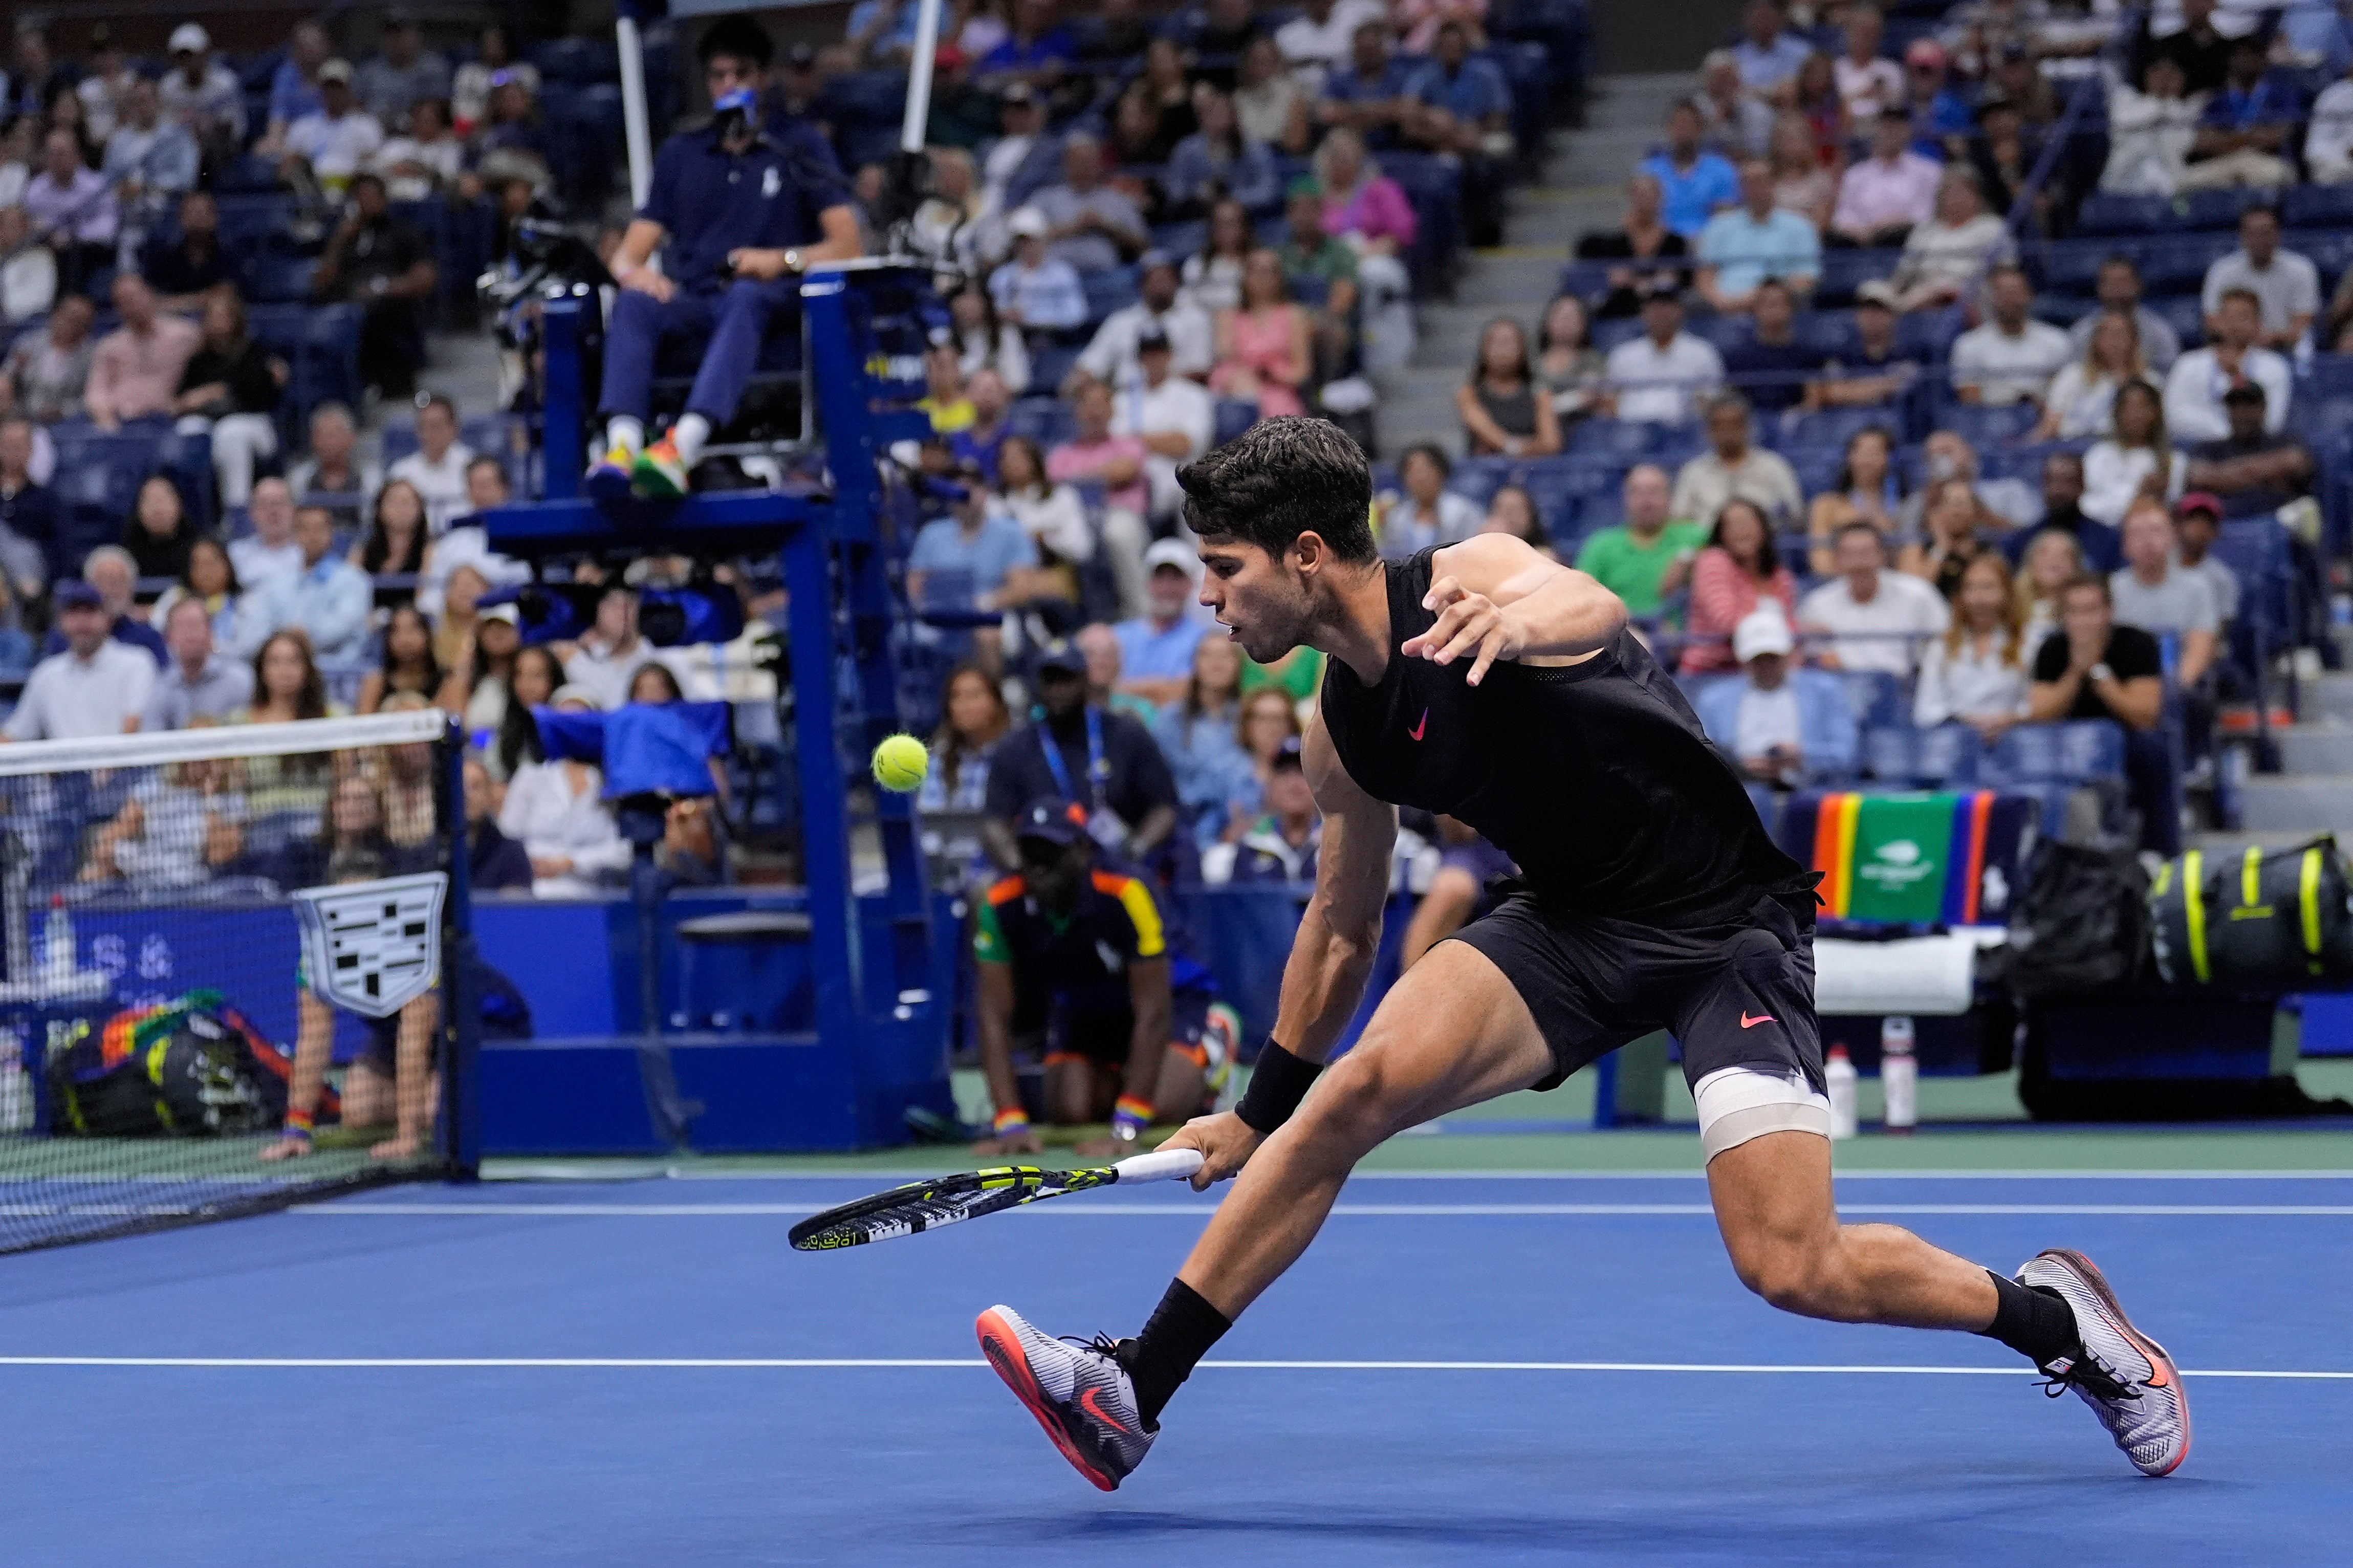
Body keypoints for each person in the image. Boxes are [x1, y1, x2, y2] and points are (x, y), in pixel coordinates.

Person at [970, 416, 2188, 1491]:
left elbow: (1591, 604)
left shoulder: (1470, 578)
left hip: (1721, 926)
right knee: (1347, 1096)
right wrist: (1256, 1111)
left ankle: (2057, 1320)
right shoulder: (1336, 729)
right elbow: (1341, 923)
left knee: (1789, 1262)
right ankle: (1134, 1389)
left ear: (1302, 553)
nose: (1206, 596)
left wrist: (1511, 621)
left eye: (1223, 567)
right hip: (1565, 925)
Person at [587, 17, 862, 501]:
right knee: (633, 303)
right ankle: (623, 447)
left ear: (764, 78)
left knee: (746, 296)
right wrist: (634, 275)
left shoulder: (797, 144)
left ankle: (682, 448)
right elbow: (627, 256)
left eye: (741, 73)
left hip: (771, 305)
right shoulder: (682, 153)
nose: (729, 85)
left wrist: (781, 260)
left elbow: (848, 246)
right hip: (696, 301)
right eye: (719, 75)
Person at [970, 798, 1230, 1156]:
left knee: (1162, 1108)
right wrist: (1010, 1123)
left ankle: (1214, 1044)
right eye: (1030, 853)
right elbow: (992, 1015)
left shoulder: (1127, 891)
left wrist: (1127, 1126)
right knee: (1071, 1111)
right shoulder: (1000, 903)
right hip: (1085, 1010)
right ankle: (1125, 1074)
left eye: (1053, 852)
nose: (1040, 866)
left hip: (1170, 1002)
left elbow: (1153, 1012)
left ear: (1083, 850)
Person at [981, 639, 1181, 876]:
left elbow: (1164, 807)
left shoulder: (1126, 735)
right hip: (1043, 869)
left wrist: (1136, 850)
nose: (1057, 690)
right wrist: (1020, 867)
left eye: (1066, 680)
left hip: (1117, 865)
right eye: (1050, 681)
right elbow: (994, 821)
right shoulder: (1015, 747)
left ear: (1085, 680)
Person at [2029, 572, 2176, 853]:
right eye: (2074, 612)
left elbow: (2146, 715)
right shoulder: (2052, 649)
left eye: (2091, 611)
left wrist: (2098, 672)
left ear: (2109, 611)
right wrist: (2075, 672)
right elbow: (2040, 715)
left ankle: (2158, 851)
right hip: (2064, 743)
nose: (2083, 621)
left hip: (2126, 739)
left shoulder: (2138, 643)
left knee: (2153, 750)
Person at [1694, 608, 1858, 788]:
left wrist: (1802, 757)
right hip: (1740, 789)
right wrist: (1741, 768)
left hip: (1811, 787)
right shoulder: (1715, 700)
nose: (1766, 666)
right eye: (1758, 660)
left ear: (1788, 654)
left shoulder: (1825, 690)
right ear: (1743, 660)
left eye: (1772, 658)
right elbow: (1704, 757)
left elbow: (1846, 752)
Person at [309, 172, 437, 400]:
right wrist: (340, 240)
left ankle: (382, 383)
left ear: (383, 199)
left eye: (370, 197)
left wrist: (382, 288)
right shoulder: (346, 237)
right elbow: (321, 282)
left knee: (375, 314)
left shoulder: (404, 233)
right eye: (359, 198)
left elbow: (425, 279)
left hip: (387, 304)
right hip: (347, 303)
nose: (364, 203)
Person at [499, 687, 629, 899]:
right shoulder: (531, 776)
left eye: (579, 721)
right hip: (531, 890)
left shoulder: (612, 782)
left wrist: (571, 862)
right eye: (564, 721)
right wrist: (527, 864)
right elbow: (507, 837)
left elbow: (622, 851)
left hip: (591, 894)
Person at [171, 290, 286, 508]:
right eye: (212, 316)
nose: (217, 322)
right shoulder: (199, 360)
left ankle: (237, 509)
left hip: (254, 423)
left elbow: (263, 397)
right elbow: (181, 401)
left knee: (230, 432)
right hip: (211, 422)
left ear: (236, 319)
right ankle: (192, 506)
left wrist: (222, 391)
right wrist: (195, 399)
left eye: (223, 315)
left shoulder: (254, 353)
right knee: (188, 429)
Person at [3, 580, 155, 741]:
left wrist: (109, 758)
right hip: (66, 758)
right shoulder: (47, 675)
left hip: (125, 757)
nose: (82, 622)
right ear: (61, 620)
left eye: (90, 612)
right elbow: (14, 733)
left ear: (108, 618)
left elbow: (133, 727)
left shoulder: (136, 663)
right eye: (73, 612)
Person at [1800, 521, 1950, 677]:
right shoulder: (1817, 604)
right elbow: (1808, 658)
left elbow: (1947, 640)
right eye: (1849, 554)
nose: (1858, 563)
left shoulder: (1918, 594)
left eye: (1866, 553)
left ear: (1883, 555)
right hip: (1841, 684)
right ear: (1836, 559)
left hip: (1906, 683)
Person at [237, 504, 373, 667]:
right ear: (295, 535)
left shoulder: (353, 579)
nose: (312, 536)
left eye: (319, 529)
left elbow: (344, 624)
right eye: (304, 529)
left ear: (331, 534)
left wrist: (298, 637)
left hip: (336, 668)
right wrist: (285, 640)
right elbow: (257, 622)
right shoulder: (277, 582)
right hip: (281, 667)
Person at [1914, 552, 2030, 739]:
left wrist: (2010, 719)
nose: (1979, 598)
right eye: (1970, 588)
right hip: (1955, 738)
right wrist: (1963, 720)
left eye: (1988, 587)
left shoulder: (2030, 641)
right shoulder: (1941, 646)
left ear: (2007, 593)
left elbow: (2037, 704)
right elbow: (1926, 710)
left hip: (2015, 738)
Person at [2108, 501, 2218, 691]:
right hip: (2124, 688)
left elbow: (2200, 649)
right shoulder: (2110, 589)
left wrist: (2170, 691)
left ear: (2173, 539)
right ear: (2125, 546)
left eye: (2156, 531)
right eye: (2137, 534)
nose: (2147, 541)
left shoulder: (2197, 587)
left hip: (2179, 688)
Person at [1681, 497, 1797, 673]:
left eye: (1746, 522)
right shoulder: (1713, 561)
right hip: (1714, 668)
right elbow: (1726, 621)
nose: (1740, 530)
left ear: (1763, 528)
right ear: (1721, 533)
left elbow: (1790, 627)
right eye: (1731, 525)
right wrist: (1777, 629)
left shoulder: (1780, 577)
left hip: (1771, 668)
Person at [1574, 464, 1706, 619]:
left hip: (1682, 632)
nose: (1646, 502)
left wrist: (1687, 558)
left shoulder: (1694, 536)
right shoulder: (1601, 546)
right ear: (1625, 500)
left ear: (1670, 498)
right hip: (1621, 629)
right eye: (1637, 493)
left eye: (1654, 492)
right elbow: (1580, 597)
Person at [2163, 288, 2291, 444]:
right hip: (2198, 448)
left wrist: (2236, 376)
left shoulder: (2274, 367)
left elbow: (2272, 423)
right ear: (2217, 321)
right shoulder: (2188, 363)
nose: (2235, 324)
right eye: (2228, 316)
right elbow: (2172, 416)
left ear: (2258, 324)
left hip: (2252, 450)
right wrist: (2225, 433)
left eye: (2243, 318)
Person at [1695, 157, 1820, 313]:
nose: (1755, 189)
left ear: (1774, 184)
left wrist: (1761, 299)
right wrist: (1721, 302)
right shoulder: (1718, 226)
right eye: (1749, 183)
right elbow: (1704, 277)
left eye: (1761, 181)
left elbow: (1806, 278)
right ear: (1739, 188)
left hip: (1777, 309)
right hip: (1725, 310)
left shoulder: (1800, 226)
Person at [1670, 393, 1802, 534]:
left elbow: (1796, 515)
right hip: (1708, 544)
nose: (1728, 432)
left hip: (1765, 543)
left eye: (1734, 424)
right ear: (1709, 431)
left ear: (1748, 427)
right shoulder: (1693, 472)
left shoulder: (1774, 466)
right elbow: (1679, 520)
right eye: (1720, 425)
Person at [1887, 168, 2014, 314]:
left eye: (1963, 192)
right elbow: (1905, 272)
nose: (1956, 198)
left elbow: (2006, 269)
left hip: (1974, 294)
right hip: (1924, 291)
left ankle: (1895, 311)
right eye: (1949, 193)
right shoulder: (1925, 230)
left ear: (1977, 196)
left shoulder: (1992, 227)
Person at [1078, 251, 1214, 386]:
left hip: (1177, 394)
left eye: (1166, 278)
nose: (1161, 284)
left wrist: (1153, 389)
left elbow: (1200, 370)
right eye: (1154, 279)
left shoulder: (1195, 319)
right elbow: (1089, 366)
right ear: (1142, 284)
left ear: (1177, 283)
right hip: (1124, 394)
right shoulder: (1120, 322)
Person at [2181, 36, 2296, 192]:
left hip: (2265, 159)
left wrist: (2230, 139)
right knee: (2186, 182)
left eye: (2253, 55)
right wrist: (2251, 137)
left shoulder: (2282, 95)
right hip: (2225, 160)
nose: (2247, 60)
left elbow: (2277, 137)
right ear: (2231, 60)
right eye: (2241, 55)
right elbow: (2205, 142)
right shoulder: (2217, 99)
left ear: (2264, 60)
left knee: (2275, 175)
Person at [87, 273, 200, 431]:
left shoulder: (185, 335)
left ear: (150, 295)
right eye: (122, 302)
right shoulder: (110, 346)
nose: (131, 305)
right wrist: (107, 423)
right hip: (121, 421)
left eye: (134, 297)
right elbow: (97, 391)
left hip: (167, 419)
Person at [1209, 251, 1314, 420]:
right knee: (1240, 384)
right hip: (1235, 384)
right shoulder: (1228, 317)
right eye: (1255, 271)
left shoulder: (1294, 316)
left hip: (1278, 387)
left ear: (1279, 278)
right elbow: (1225, 355)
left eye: (1268, 272)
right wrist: (1252, 369)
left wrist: (1273, 373)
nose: (1261, 278)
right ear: (1244, 277)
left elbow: (1302, 371)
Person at [2185, 383, 2314, 520]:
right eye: (2235, 406)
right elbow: (2197, 476)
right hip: (2224, 522)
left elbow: (2296, 462)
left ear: (2263, 408)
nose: (2241, 413)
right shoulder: (2210, 448)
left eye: (2249, 405)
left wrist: (2222, 477)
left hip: (2275, 520)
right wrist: (2270, 473)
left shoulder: (2284, 441)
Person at [1605, 278, 1724, 425]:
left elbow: (1712, 399)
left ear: (1680, 310)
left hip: (1682, 430)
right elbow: (1609, 402)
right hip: (1632, 430)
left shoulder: (1702, 352)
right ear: (1644, 312)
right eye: (1655, 306)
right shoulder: (1623, 355)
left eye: (1667, 305)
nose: (1661, 312)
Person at [1950, 263, 2071, 407]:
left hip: (2042, 415)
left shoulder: (2057, 341)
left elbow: (2063, 397)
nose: (2010, 299)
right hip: (1990, 416)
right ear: (1991, 297)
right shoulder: (1969, 345)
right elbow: (1970, 401)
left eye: (2016, 292)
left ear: (2030, 295)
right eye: (2003, 293)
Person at [2199, 206, 2316, 353]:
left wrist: (2271, 338)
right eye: (2253, 233)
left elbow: (2303, 323)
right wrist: (2243, 336)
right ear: (2242, 235)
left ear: (2278, 234)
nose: (2260, 239)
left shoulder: (2301, 268)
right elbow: (2212, 320)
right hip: (2234, 347)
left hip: (2285, 348)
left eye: (2266, 232)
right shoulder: (2222, 270)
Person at [1574, 172, 1689, 320]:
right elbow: (1616, 277)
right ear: (1631, 197)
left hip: (1664, 307)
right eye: (1639, 194)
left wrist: (1639, 282)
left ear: (1659, 197)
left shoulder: (1675, 242)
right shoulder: (1615, 242)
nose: (1644, 199)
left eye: (1649, 193)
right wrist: (1643, 282)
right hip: (1623, 307)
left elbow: (1675, 277)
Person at [1115, 542, 1213, 707]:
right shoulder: (1118, 636)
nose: (1167, 588)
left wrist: (1123, 688)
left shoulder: (1205, 640)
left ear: (1191, 585)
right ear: (1148, 583)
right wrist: (1161, 689)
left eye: (1176, 578)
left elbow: (1190, 692)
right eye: (1160, 578)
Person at [1212, 737, 1322, 884]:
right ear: (1271, 785)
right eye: (1284, 773)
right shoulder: (1251, 845)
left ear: (1320, 784)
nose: (1293, 784)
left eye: (1303, 773)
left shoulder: (1335, 846)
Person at [1164, 86, 1279, 222]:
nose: (1218, 119)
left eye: (1224, 112)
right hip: (1199, 216)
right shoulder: (1187, 149)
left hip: (1248, 217)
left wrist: (1232, 198)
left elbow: (1269, 189)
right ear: (1201, 118)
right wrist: (1199, 193)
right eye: (1211, 113)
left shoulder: (1255, 149)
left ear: (1235, 117)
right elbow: (1174, 187)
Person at [142, 593, 254, 732]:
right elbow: (151, 736)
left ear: (211, 632)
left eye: (196, 625)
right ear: (168, 638)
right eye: (181, 626)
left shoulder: (241, 679)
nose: (190, 633)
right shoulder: (160, 687)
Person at [1831, 108, 1940, 248]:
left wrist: (1891, 224)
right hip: (1863, 246)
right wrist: (1862, 231)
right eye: (1886, 126)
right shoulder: (1855, 175)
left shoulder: (1928, 171)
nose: (1891, 131)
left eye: (1897, 126)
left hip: (1909, 243)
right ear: (1875, 130)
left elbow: (1927, 215)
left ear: (1908, 130)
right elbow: (1843, 216)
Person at [23, 128, 115, 293]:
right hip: (49, 253)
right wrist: (47, 233)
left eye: (62, 153)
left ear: (77, 155)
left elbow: (107, 229)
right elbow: (29, 224)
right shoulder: (35, 190)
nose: (57, 159)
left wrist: (72, 237)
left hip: (91, 256)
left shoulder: (97, 186)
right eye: (51, 154)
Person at [2081, 379, 2184, 527]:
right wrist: (2139, 495)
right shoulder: (2099, 456)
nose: (2136, 415)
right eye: (2129, 408)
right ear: (2117, 414)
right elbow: (2089, 505)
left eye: (2143, 408)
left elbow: (2174, 507)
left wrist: (2160, 494)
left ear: (2156, 413)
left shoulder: (2174, 461)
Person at [1804, 426, 1904, 575]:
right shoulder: (1826, 505)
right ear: (1850, 457)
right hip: (1840, 581)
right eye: (1861, 451)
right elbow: (1820, 562)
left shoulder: (1905, 506)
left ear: (1889, 458)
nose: (1867, 460)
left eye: (1875, 452)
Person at [2033, 311, 2144, 444]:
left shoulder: (2147, 382)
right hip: (2070, 446)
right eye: (2107, 334)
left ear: (2134, 341)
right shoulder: (2072, 375)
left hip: (2118, 446)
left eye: (2120, 335)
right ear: (2095, 340)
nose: (2114, 342)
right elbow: (2050, 425)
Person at [1456, 317, 1560, 458]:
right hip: (1487, 465)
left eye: (1509, 343)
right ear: (1484, 348)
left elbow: (1551, 443)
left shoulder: (1539, 393)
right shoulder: (1468, 393)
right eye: (1496, 343)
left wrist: (1520, 450)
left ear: (1522, 349)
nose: (1502, 350)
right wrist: (1524, 448)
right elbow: (1490, 435)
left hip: (1533, 464)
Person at [2101, 54, 2201, 200]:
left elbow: (2186, 143)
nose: (2165, 79)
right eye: (2158, 71)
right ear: (2146, 74)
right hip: (2120, 185)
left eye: (2172, 74)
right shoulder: (2125, 97)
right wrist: (2163, 107)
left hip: (2171, 187)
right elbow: (2121, 121)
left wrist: (2176, 107)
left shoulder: (2185, 110)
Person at [2003, 449, 2120, 573]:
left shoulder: (2107, 541)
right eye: (2051, 481)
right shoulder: (2021, 542)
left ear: (2082, 486)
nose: (2058, 490)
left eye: (2067, 481)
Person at [1639, 100, 1739, 241]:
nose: (1683, 131)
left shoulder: (1721, 170)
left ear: (1700, 129)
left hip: (1709, 243)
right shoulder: (1649, 171)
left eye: (1688, 125)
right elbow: (1641, 216)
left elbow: (1726, 218)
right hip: (1662, 244)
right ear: (1669, 128)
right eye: (1679, 124)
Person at [920, 662, 1013, 813]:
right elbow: (931, 818)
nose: (965, 705)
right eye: (956, 697)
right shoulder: (940, 758)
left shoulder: (1016, 756)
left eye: (974, 696)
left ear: (996, 703)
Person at [2067, 255, 2181, 374]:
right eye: (2110, 283)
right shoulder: (2082, 333)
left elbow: (2169, 376)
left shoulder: (2160, 333)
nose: (2117, 290)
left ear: (2139, 285)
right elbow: (2076, 373)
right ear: (2099, 288)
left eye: (2123, 282)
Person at [1722, 278, 1817, 417]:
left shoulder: (1807, 355)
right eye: (1767, 304)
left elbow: (1813, 400)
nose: (1773, 309)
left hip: (1795, 421)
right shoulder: (1738, 358)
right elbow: (1730, 400)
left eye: (1779, 303)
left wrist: (1796, 415)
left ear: (1791, 308)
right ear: (1755, 309)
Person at [1900, 476, 2001, 601]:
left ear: (1976, 512)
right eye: (1950, 504)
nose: (1957, 512)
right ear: (1935, 511)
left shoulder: (1987, 552)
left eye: (1963, 504)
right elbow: (1912, 595)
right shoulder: (1917, 549)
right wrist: (1941, 548)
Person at [159, 24, 247, 166]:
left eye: (192, 55)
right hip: (180, 146)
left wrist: (208, 125)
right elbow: (166, 124)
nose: (188, 61)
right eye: (183, 57)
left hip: (221, 148)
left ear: (205, 53)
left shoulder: (225, 84)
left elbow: (236, 128)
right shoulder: (168, 86)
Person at [385, 395, 475, 533]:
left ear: (454, 428)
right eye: (423, 426)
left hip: (464, 537)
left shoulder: (473, 466)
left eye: (436, 426)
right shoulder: (401, 471)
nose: (429, 433)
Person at [990, 206, 1089, 331]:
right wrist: (1005, 315)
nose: (1027, 246)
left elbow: (1077, 314)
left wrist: (1029, 319)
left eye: (1032, 240)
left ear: (1043, 241)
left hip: (1054, 336)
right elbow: (995, 310)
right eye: (1022, 241)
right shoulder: (1002, 276)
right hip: (1011, 334)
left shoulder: (1063, 274)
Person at [70, 547, 169, 664]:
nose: (110, 590)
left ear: (132, 588)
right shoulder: (68, 636)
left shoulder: (148, 637)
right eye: (103, 582)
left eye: (119, 582)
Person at [1378, 444, 1481, 556]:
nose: (1420, 477)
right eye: (1412, 471)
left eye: (1425, 470)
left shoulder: (1464, 512)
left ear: (1441, 472)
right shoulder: (1397, 516)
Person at [355, 12, 451, 132]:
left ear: (417, 36)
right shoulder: (369, 71)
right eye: (391, 34)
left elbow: (442, 111)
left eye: (402, 33)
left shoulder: (434, 68)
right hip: (377, 136)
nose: (397, 40)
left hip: (419, 137)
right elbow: (356, 110)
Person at [150, 536, 243, 652]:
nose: (207, 571)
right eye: (199, 564)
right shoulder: (175, 597)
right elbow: (156, 629)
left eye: (212, 562)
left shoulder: (245, 601)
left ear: (228, 565)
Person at [357, 604, 444, 716]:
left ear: (427, 634)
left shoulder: (444, 681)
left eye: (412, 630)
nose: (405, 640)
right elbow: (363, 721)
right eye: (397, 631)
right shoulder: (376, 682)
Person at [2170, 494, 2242, 628]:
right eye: (2193, 520)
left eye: (2208, 523)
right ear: (2178, 526)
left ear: (2217, 532)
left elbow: (2220, 630)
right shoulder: (2158, 566)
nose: (2200, 528)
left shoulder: (2223, 579)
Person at [1535, 294, 1606, 425]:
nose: (1566, 323)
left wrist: (1547, 406)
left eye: (1573, 317)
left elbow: (1589, 396)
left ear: (1583, 324)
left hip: (1579, 426)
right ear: (1547, 322)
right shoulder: (1531, 361)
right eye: (1560, 316)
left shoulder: (1592, 360)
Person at [2015, 527, 2087, 652]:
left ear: (2076, 567)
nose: (2054, 560)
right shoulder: (2010, 604)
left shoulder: (2086, 610)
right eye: (2045, 553)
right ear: (2030, 562)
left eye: (2064, 555)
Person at [1834, 4, 1905, 123]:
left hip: (1881, 126)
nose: (1865, 38)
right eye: (1860, 30)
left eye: (1871, 32)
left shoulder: (1891, 69)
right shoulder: (1836, 68)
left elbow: (1897, 103)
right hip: (1844, 127)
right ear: (1848, 32)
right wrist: (1864, 93)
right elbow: (1831, 105)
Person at [231, 478, 304, 591]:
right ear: (252, 513)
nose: (273, 512)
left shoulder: (309, 552)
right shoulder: (236, 554)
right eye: (264, 505)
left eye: (279, 503)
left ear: (293, 510)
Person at [121, 473, 198, 581]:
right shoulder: (126, 554)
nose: (157, 509)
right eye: (150, 501)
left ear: (179, 505)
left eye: (163, 499)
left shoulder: (197, 549)